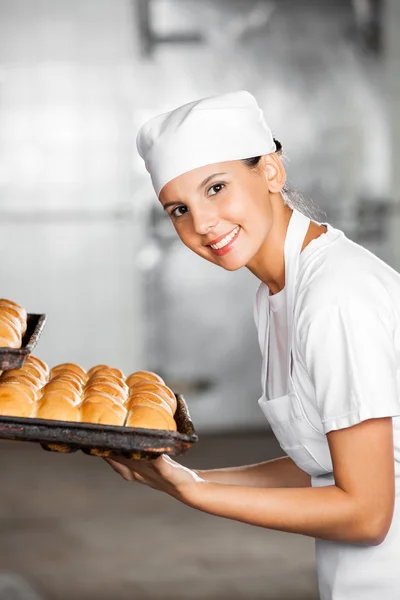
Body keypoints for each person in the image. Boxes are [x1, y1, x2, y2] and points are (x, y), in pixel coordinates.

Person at [104, 91, 400, 599]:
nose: (201, 224)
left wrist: (196, 494)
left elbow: (369, 513)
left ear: (270, 172)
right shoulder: (278, 293)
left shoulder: (335, 296)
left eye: (216, 188)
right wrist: (184, 477)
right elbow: (327, 462)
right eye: (179, 208)